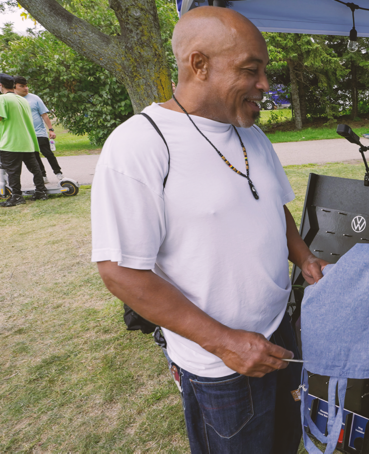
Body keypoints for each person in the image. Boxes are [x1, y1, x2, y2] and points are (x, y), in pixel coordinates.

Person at [91, 7, 326, 453]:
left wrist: (304, 257)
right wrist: (225, 343)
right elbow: (120, 272)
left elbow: (273, 204)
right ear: (199, 65)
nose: (264, 84)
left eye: (264, 71)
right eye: (250, 70)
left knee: (287, 440)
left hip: (279, 332)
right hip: (220, 363)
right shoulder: (141, 144)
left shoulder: (251, 133)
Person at [0, 73, 47, 207]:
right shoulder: (22, 100)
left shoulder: (2, 99)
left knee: (13, 171)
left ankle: (17, 196)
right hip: (27, 141)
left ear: (0, 85)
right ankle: (41, 191)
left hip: (11, 141)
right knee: (35, 168)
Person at [14, 76, 62, 184]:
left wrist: (51, 129)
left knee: (47, 153)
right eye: (22, 86)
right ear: (14, 87)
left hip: (40, 133)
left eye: (26, 85)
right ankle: (43, 175)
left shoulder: (35, 98)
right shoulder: (14, 100)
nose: (26, 88)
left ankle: (58, 173)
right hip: (26, 135)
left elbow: (44, 115)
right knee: (35, 157)